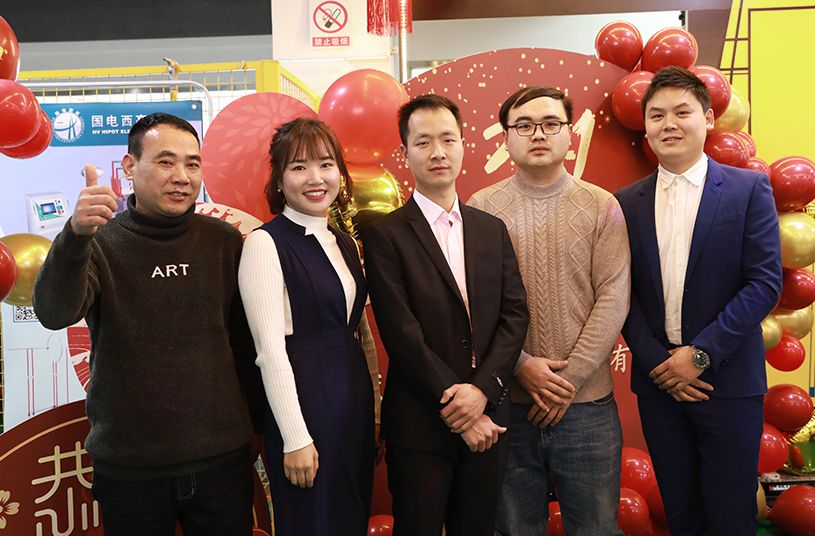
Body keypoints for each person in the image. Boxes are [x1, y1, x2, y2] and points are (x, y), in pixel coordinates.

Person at [33, 113, 257, 534]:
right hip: (130, 469)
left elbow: (246, 345)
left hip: (222, 462)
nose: (182, 177)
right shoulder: (100, 242)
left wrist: (257, 431)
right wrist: (76, 235)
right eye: (166, 161)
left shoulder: (223, 241)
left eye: (192, 164)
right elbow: (54, 313)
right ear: (129, 166)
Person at [615, 66, 782, 535]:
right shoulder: (625, 202)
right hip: (660, 385)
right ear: (645, 126)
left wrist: (701, 355)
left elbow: (764, 283)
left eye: (681, 112)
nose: (668, 124)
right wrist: (659, 364)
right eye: (656, 115)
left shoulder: (748, 189)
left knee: (731, 517)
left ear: (707, 119)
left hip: (728, 383)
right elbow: (618, 292)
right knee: (681, 514)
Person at [361, 94, 529, 536]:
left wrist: (482, 394)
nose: (437, 152)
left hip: (491, 420)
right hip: (420, 425)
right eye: (423, 142)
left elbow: (514, 317)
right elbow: (401, 332)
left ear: (462, 146)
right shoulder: (384, 235)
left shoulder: (491, 229)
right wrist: (461, 409)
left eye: (447, 139)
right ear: (405, 153)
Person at [468, 86, 630, 536]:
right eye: (523, 125)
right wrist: (520, 366)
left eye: (550, 124)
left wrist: (567, 381)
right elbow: (475, 304)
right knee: (515, 528)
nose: (538, 134)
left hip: (587, 407)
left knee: (596, 529)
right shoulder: (481, 208)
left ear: (568, 133)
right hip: (506, 405)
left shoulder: (603, 206)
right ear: (506, 137)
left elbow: (614, 296)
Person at [238, 117, 380, 536]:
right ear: (280, 180)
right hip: (305, 406)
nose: (316, 178)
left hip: (352, 402)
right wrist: (295, 436)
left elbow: (360, 334)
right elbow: (269, 352)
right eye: (299, 167)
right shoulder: (264, 243)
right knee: (311, 522)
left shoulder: (345, 242)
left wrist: (374, 410)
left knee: (350, 517)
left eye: (326, 164)